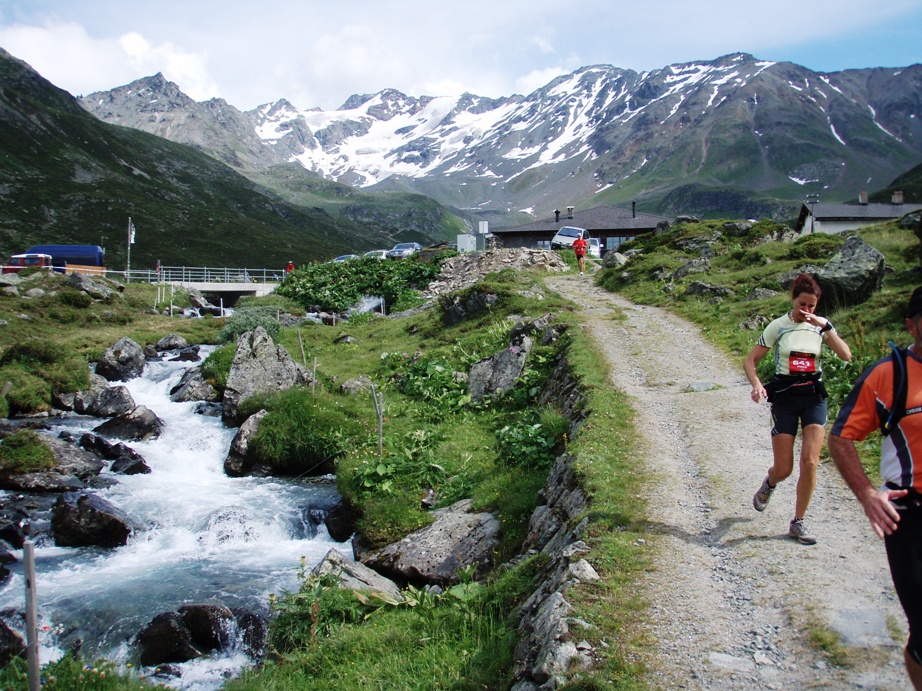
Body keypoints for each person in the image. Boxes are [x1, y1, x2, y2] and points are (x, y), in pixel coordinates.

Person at [828, 286, 922, 689]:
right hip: (910, 514)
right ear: (911, 325)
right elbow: (842, 437)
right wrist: (867, 493)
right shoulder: (890, 374)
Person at [743, 273, 852, 544]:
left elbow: (846, 355)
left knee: (811, 462)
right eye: (802, 305)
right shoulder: (778, 326)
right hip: (785, 398)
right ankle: (770, 482)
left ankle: (798, 522)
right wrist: (757, 385)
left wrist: (825, 327)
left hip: (814, 397)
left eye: (812, 306)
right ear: (793, 300)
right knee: (785, 468)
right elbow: (750, 361)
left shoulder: (822, 325)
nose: (807, 311)